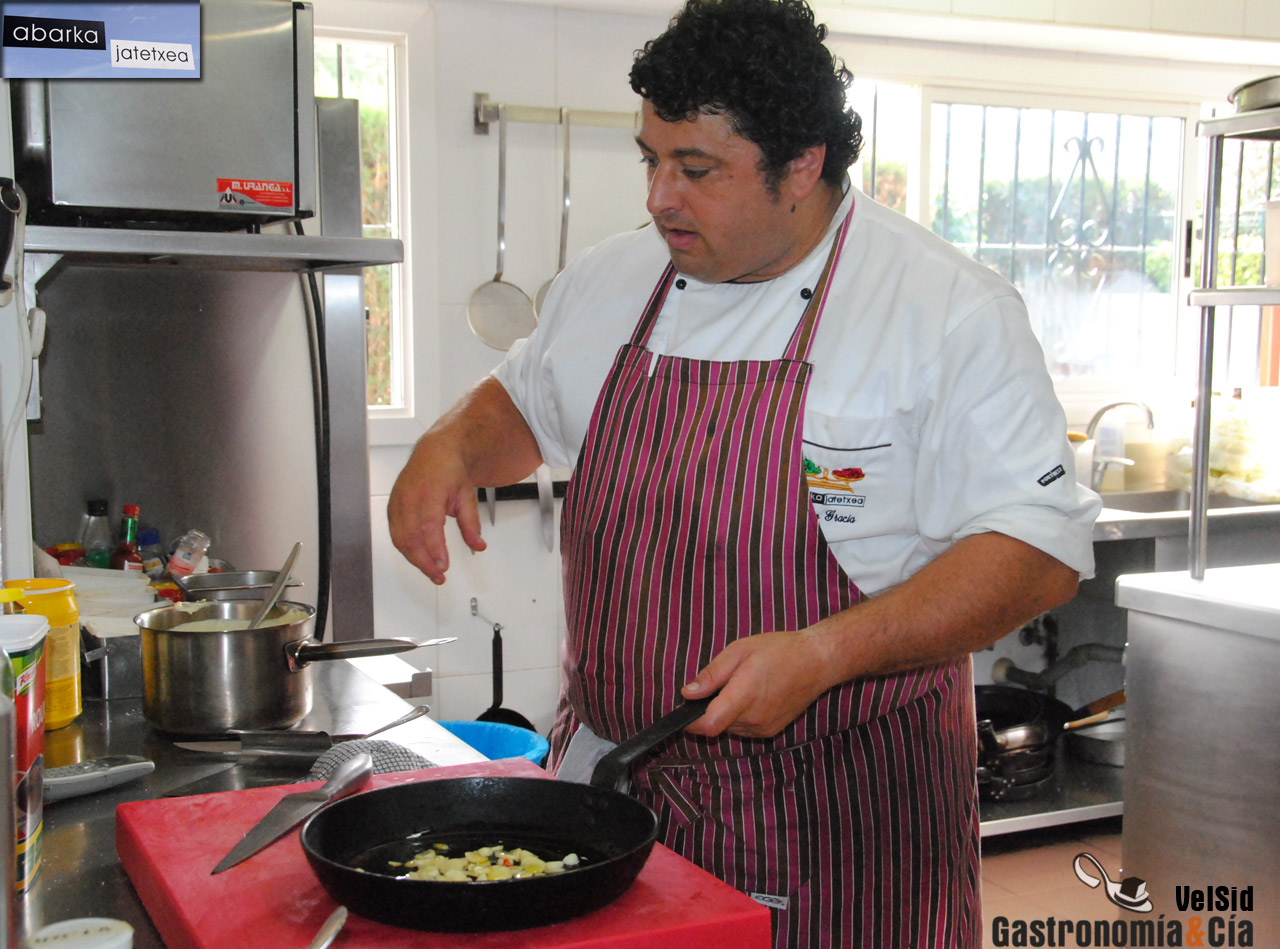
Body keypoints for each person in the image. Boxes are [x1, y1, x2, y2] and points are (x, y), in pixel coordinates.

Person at [388, 0, 1101, 945]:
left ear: (802, 165)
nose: (658, 198)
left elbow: (1038, 551)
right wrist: (445, 446)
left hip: (842, 817)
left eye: (697, 169)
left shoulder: (944, 309)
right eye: (651, 159)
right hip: (617, 788)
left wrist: (824, 652)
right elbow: (520, 408)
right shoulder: (612, 281)